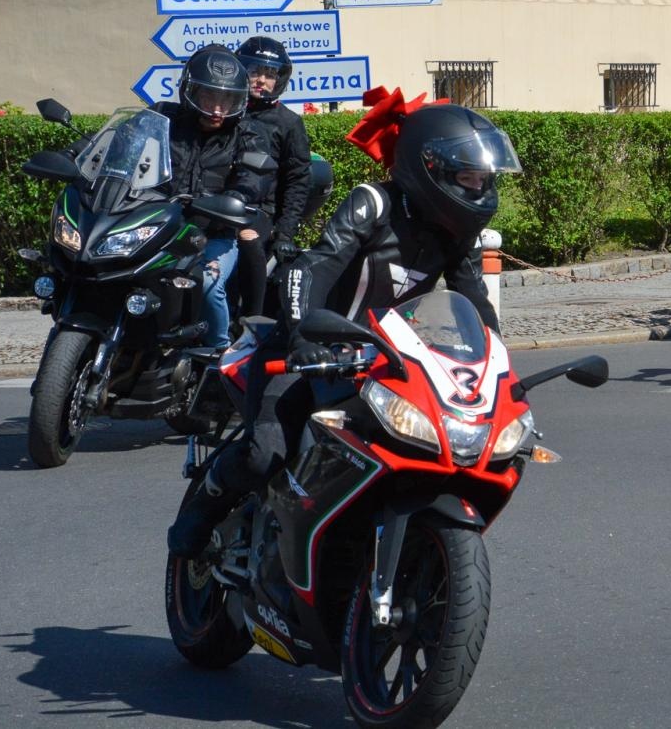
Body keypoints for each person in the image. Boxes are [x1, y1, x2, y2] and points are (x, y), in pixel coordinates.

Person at [168, 90, 519, 557]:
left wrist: (501, 374)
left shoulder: (458, 234)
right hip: (308, 347)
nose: (479, 190)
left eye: (484, 180)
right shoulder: (373, 204)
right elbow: (308, 271)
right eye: (468, 178)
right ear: (428, 170)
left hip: (386, 361)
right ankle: (203, 509)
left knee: (426, 451)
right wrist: (303, 338)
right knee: (266, 454)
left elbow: (476, 304)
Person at [156, 45, 271, 350]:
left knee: (206, 284)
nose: (218, 110)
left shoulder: (247, 134)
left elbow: (252, 179)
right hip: (159, 225)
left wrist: (229, 200)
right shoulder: (162, 119)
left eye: (227, 100)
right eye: (209, 97)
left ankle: (219, 353)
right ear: (190, 91)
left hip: (214, 233)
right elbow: (124, 145)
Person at [233, 37, 312, 316]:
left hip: (259, 211)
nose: (261, 80)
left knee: (250, 241)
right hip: (217, 204)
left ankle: (250, 324)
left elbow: (298, 179)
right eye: (255, 71)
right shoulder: (226, 112)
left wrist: (285, 233)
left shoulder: (289, 123)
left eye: (269, 74)